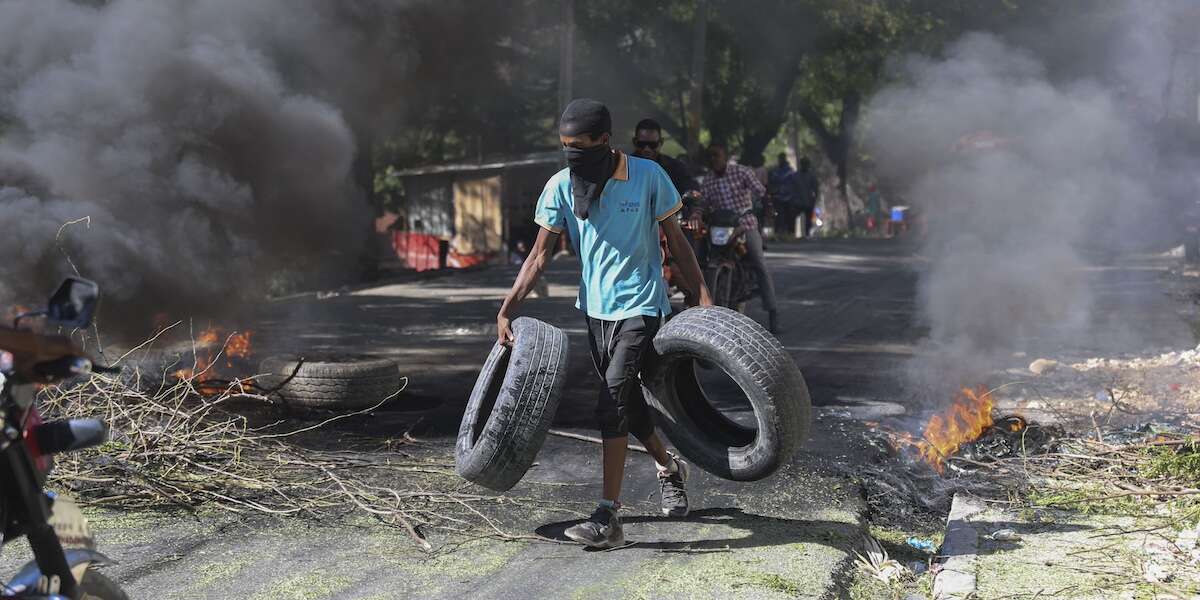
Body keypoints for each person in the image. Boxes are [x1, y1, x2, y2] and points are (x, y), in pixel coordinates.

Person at [497, 99, 712, 549]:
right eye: (565, 147)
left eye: (579, 146)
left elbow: (677, 243)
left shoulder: (648, 176)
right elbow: (539, 255)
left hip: (642, 305)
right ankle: (669, 467)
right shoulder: (560, 186)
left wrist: (702, 297)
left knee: (611, 397)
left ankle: (608, 516)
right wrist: (508, 306)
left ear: (603, 140)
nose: (572, 154)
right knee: (627, 405)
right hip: (595, 312)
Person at [698, 143, 780, 333]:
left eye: (716, 155)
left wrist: (767, 203)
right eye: (710, 156)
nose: (713, 160)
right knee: (704, 261)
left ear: (725, 156)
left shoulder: (742, 173)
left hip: (744, 225)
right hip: (720, 229)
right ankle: (706, 312)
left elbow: (760, 191)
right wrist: (697, 214)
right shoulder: (708, 181)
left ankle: (773, 311)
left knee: (759, 263)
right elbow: (702, 204)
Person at [768, 153, 797, 238]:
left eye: (782, 158)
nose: (781, 160)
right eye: (780, 158)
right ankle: (777, 233)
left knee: (790, 216)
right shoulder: (775, 171)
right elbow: (770, 183)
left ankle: (791, 233)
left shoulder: (790, 171)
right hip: (778, 197)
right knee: (778, 216)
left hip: (789, 197)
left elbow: (794, 184)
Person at [793, 156, 820, 238]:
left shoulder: (811, 176)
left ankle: (807, 234)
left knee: (808, 218)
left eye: (806, 164)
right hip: (798, 200)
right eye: (803, 164)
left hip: (808, 200)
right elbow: (793, 187)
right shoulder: (796, 175)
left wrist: (815, 198)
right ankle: (793, 233)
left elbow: (815, 188)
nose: (804, 165)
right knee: (794, 217)